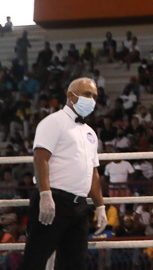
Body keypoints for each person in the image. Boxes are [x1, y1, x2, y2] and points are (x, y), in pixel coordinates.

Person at [19, 77, 107, 270]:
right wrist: (45, 194)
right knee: (35, 260)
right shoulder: (53, 122)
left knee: (74, 264)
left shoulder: (90, 132)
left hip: (80, 207)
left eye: (94, 96)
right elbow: (40, 159)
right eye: (86, 94)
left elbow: (92, 172)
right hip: (54, 200)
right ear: (70, 95)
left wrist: (100, 206)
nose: (91, 99)